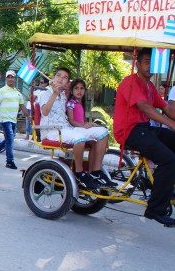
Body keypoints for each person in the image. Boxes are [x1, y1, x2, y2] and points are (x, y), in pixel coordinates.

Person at [114, 48, 175, 227]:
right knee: (169, 160)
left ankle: (166, 186)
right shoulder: (130, 82)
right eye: (146, 62)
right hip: (129, 131)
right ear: (138, 64)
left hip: (144, 129)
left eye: (152, 62)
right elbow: (145, 108)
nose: (149, 66)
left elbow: (166, 108)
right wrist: (170, 124)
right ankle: (155, 209)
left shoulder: (150, 87)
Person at [38, 67, 114, 189]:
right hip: (52, 131)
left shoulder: (63, 97)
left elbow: (71, 115)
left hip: (67, 128)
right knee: (80, 138)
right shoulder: (44, 93)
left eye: (65, 78)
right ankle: (79, 173)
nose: (61, 79)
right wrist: (54, 93)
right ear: (53, 77)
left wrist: (85, 124)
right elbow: (45, 112)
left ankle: (96, 172)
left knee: (103, 132)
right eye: (59, 76)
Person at [0, 70, 29, 169]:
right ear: (6, 79)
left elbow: (22, 106)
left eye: (12, 77)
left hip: (14, 120)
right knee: (10, 141)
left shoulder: (18, 93)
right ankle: (10, 161)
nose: (10, 79)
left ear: (15, 79)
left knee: (9, 140)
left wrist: (29, 116)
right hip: (5, 120)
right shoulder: (1, 91)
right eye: (8, 77)